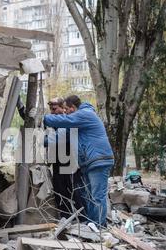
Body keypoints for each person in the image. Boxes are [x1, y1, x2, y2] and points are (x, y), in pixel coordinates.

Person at [43, 95, 114, 226]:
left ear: (73, 107)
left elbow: (63, 121)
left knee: (97, 195)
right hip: (90, 162)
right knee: (89, 195)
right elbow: (59, 138)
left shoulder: (84, 114)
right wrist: (39, 141)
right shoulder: (78, 122)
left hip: (98, 160)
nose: (65, 112)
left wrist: (42, 118)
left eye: (66, 109)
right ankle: (92, 223)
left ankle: (98, 225)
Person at [45, 97, 83, 217]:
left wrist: (41, 140)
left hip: (71, 161)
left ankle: (82, 219)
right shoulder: (54, 123)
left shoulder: (69, 121)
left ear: (63, 109)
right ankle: (65, 217)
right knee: (59, 191)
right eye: (51, 109)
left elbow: (59, 138)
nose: (52, 112)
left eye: (55, 109)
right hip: (57, 162)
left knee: (75, 190)